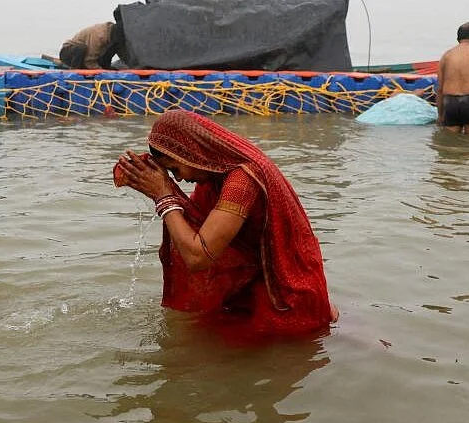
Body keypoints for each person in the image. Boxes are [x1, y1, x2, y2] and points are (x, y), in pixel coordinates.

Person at [113, 109, 336, 336]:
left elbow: (197, 256)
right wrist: (167, 191)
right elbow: (196, 227)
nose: (179, 178)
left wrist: (164, 195)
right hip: (250, 291)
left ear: (192, 151)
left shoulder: (243, 180)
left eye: (175, 169)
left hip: (284, 298)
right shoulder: (214, 176)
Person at [58, 22, 123, 69]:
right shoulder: (99, 35)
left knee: (112, 48)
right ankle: (74, 72)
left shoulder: (112, 36)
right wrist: (100, 71)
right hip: (68, 54)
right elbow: (89, 60)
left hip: (86, 58)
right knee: (81, 49)